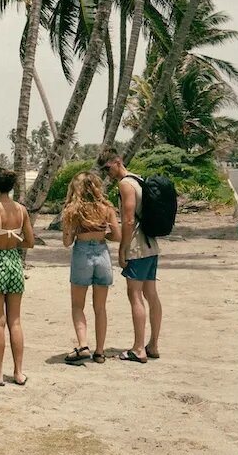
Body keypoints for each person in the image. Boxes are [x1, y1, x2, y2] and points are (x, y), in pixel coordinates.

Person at [97, 148, 162, 363]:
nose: (107, 173)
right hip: (151, 244)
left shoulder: (125, 184)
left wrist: (123, 249)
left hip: (137, 247)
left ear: (117, 161)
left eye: (108, 168)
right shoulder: (138, 179)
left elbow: (128, 220)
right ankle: (152, 344)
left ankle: (138, 349)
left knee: (135, 296)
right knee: (151, 294)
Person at [0, 167, 34, 386]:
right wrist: (13, 237)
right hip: (14, 263)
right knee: (16, 321)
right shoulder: (21, 210)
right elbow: (30, 242)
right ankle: (18, 372)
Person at [61, 172, 121, 364]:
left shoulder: (72, 210)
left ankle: (83, 345)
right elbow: (117, 236)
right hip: (102, 254)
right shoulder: (106, 208)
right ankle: (100, 352)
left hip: (82, 255)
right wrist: (101, 235)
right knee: (100, 307)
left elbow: (67, 242)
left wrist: (77, 231)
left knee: (78, 305)